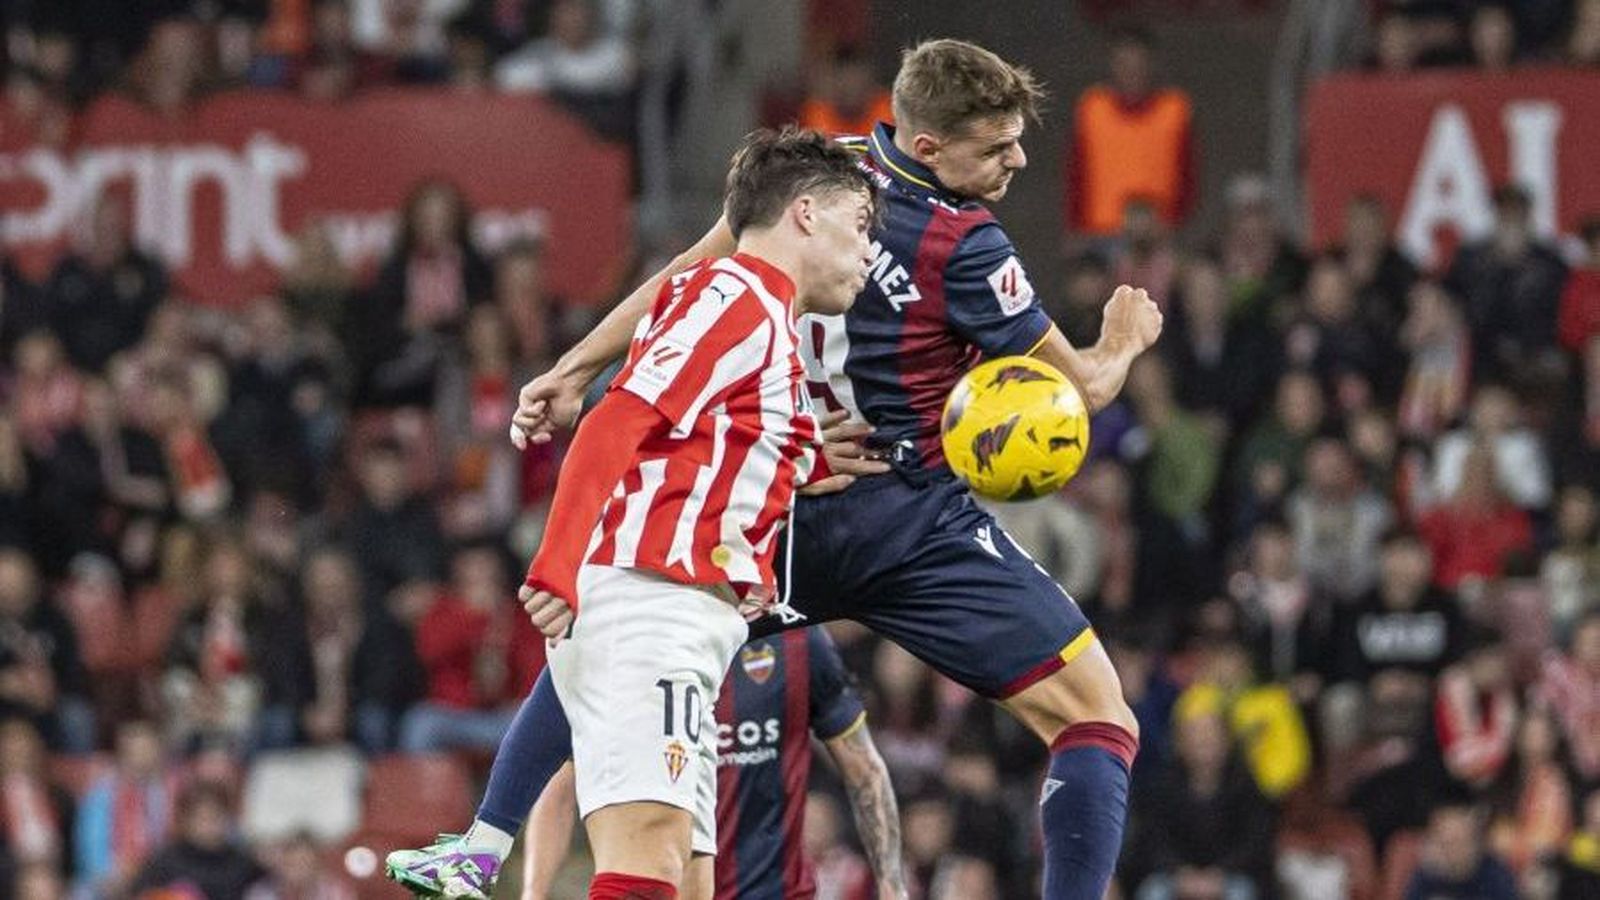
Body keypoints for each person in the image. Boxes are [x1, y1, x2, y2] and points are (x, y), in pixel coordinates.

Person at [436, 38, 1161, 900]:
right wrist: (1121, 344)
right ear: (930, 148)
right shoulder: (968, 245)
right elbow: (1074, 390)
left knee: (603, 643)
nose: (1018, 159)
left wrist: (574, 364)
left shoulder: (822, 178)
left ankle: (484, 838)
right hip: (911, 520)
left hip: (778, 507)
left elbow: (695, 267)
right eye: (998, 145)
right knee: (1095, 717)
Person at [389, 127, 877, 900]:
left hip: (680, 615)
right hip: (654, 604)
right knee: (647, 863)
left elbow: (696, 444)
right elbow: (616, 422)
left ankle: (481, 845)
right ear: (806, 214)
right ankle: (481, 847)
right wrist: (557, 561)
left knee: (686, 878)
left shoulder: (760, 316)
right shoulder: (737, 298)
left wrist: (802, 461)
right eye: (861, 226)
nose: (867, 252)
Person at [521, 629, 905, 900]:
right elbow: (560, 790)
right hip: (661, 887)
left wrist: (891, 886)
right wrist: (533, 892)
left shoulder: (798, 640)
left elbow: (864, 768)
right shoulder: (635, 645)